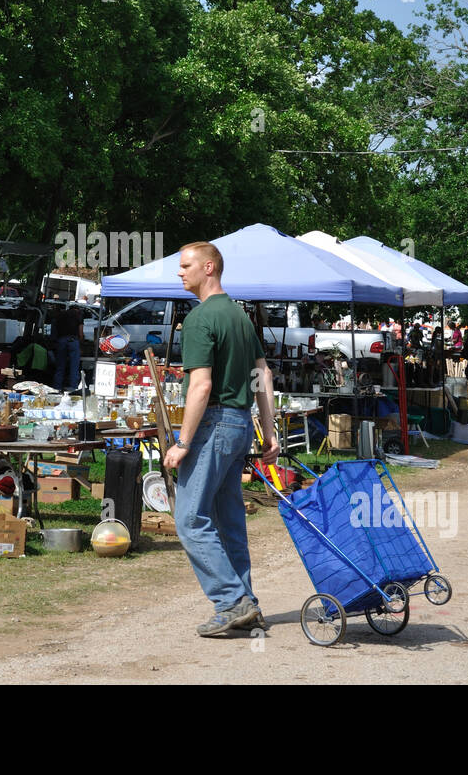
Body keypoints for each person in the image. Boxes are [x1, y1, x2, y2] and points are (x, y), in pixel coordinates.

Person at [164, 242, 278, 637]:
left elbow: (201, 386)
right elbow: (263, 375)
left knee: (190, 518)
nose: (180, 272)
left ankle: (231, 601)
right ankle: (247, 603)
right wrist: (269, 431)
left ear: (209, 267)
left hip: (214, 424)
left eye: (186, 265)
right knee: (228, 521)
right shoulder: (239, 316)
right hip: (240, 425)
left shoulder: (200, 318)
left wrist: (182, 442)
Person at [50, 302, 83, 391]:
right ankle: (73, 387)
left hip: (61, 341)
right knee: (74, 366)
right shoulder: (78, 315)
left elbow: (54, 331)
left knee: (60, 366)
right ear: (77, 309)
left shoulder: (60, 315)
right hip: (73, 341)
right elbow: (80, 332)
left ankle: (57, 387)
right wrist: (81, 344)